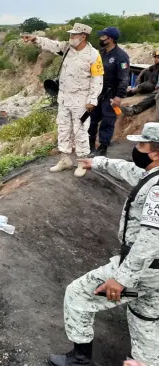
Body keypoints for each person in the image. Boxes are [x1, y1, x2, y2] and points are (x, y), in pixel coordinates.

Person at [47, 122, 159, 366]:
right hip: (155, 275)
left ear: (156, 152)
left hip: (144, 270)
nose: (136, 149)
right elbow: (129, 169)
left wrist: (121, 279)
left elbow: (151, 241)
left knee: (77, 294)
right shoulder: (153, 175)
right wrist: (95, 162)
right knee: (146, 317)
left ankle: (80, 360)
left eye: (141, 145)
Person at [23, 23, 104, 177]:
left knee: (80, 130)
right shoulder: (67, 48)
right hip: (64, 97)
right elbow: (51, 45)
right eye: (71, 34)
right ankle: (65, 159)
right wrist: (35, 39)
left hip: (81, 99)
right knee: (63, 128)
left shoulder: (93, 55)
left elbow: (97, 79)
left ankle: (82, 162)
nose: (71, 37)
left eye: (74, 35)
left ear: (83, 37)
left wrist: (92, 100)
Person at [88, 27, 131, 157]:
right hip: (97, 92)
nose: (100, 39)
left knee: (107, 121)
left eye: (103, 37)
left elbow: (124, 78)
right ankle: (90, 146)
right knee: (92, 120)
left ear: (110, 39)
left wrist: (119, 96)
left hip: (111, 94)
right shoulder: (100, 53)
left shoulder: (121, 56)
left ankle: (102, 148)